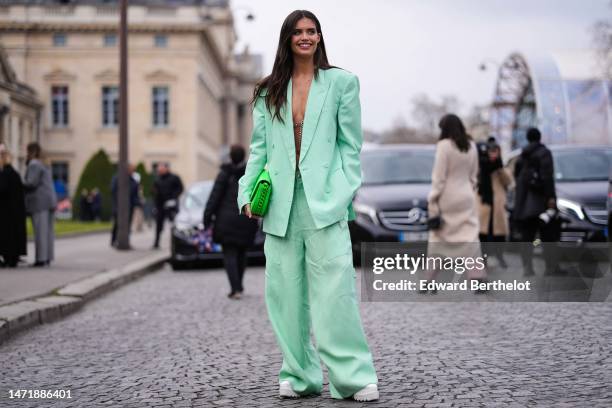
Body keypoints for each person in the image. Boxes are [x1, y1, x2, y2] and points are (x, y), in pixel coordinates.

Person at [237, 10, 379, 401]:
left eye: (311, 31)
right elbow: (259, 150)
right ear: (287, 39)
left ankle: (352, 376)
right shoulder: (268, 91)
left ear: (319, 37)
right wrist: (247, 193)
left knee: (335, 292)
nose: (305, 37)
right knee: (285, 295)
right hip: (280, 205)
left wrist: (343, 191)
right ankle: (300, 375)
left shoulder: (342, 83)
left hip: (325, 204)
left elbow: (350, 146)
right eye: (298, 32)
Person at [423, 114, 486, 293]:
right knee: (470, 237)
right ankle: (478, 279)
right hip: (466, 195)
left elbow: (439, 177)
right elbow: (474, 175)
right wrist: (469, 189)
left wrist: (433, 199)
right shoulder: (471, 145)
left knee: (438, 238)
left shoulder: (444, 146)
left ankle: (429, 281)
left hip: (446, 197)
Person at [204, 145, 258, 299]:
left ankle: (235, 289)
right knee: (242, 253)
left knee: (230, 255)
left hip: (226, 221)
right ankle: (239, 285)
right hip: (245, 219)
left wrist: (206, 218)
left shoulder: (224, 174)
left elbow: (214, 197)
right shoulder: (249, 173)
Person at [513, 127, 558, 276]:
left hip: (525, 203)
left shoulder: (522, 155)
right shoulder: (545, 153)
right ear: (540, 137)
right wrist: (551, 199)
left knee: (527, 237)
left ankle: (528, 268)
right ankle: (550, 268)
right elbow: (547, 178)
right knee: (548, 236)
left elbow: (517, 179)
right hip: (541, 201)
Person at [477, 138, 512, 268]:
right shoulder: (481, 165)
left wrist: (499, 167)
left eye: (496, 151)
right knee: (483, 235)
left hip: (497, 205)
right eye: (491, 151)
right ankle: (483, 259)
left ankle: (500, 257)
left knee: (499, 234)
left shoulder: (500, 167)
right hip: (483, 204)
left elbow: (508, 182)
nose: (493, 154)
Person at [23, 142, 57, 267]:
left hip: (39, 202)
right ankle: (47, 257)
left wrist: (18, 181)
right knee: (48, 232)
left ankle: (40, 259)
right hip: (49, 201)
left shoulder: (34, 164)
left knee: (40, 232)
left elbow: (31, 183)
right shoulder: (44, 163)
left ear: (30, 151)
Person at [0, 144, 27, 267]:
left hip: (7, 212)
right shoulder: (14, 173)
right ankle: (12, 257)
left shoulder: (5, 174)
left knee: (7, 235)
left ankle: (9, 258)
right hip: (15, 211)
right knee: (13, 235)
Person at [151, 163, 183, 249]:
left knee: (173, 225)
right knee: (158, 225)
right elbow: (154, 191)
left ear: (166, 169)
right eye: (159, 170)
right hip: (160, 205)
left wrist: (173, 197)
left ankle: (175, 243)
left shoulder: (174, 178)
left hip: (171, 205)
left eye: (161, 169)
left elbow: (180, 188)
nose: (160, 171)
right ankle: (156, 243)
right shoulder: (157, 179)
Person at [110, 164, 140, 248]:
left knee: (128, 225)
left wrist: (137, 203)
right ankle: (114, 240)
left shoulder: (133, 181)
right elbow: (113, 191)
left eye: (133, 170)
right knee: (117, 224)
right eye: (130, 170)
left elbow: (135, 195)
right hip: (119, 206)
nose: (132, 172)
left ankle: (126, 241)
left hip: (130, 206)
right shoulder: (117, 178)